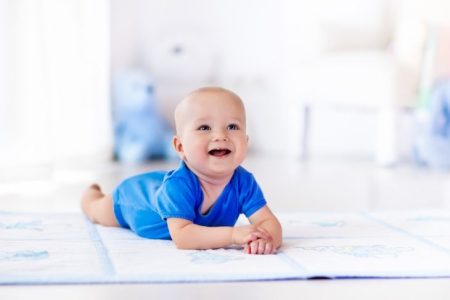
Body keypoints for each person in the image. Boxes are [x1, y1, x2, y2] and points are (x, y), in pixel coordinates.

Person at [81, 87, 282, 255]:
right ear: (180, 147)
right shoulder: (178, 186)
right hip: (134, 198)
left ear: (246, 141)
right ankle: (90, 195)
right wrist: (233, 235)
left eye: (232, 126)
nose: (221, 135)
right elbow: (183, 236)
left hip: (161, 186)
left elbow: (267, 221)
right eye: (204, 127)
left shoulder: (244, 182)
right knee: (98, 211)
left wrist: (265, 239)